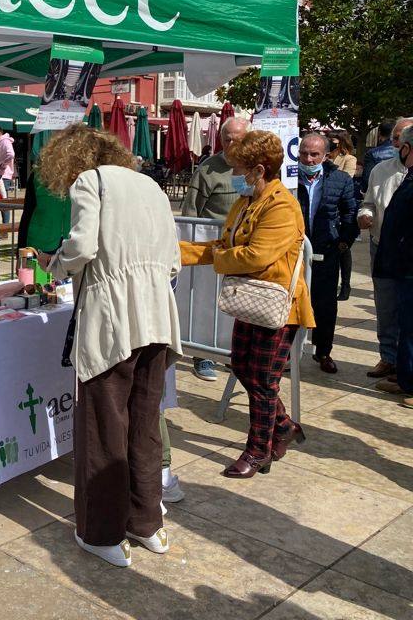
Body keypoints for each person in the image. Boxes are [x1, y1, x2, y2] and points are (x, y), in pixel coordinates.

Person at [38, 125, 182, 568]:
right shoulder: (152, 187)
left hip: (113, 320)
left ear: (71, 159)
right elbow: (174, 259)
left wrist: (57, 263)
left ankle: (101, 533)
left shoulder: (91, 181)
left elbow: (82, 245)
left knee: (104, 426)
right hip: (159, 316)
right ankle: (146, 524)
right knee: (144, 424)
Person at [181, 131, 315, 478]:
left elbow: (256, 256)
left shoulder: (282, 206)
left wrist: (223, 258)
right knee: (242, 366)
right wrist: (176, 252)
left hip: (277, 307)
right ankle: (284, 426)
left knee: (264, 381)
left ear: (259, 169)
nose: (234, 175)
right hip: (249, 300)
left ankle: (258, 452)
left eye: (239, 168)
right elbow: (222, 246)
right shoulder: (246, 201)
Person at [181, 117, 250, 381]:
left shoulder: (254, 167)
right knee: (207, 302)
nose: (232, 143)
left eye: (237, 138)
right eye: (227, 138)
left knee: (238, 301)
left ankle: (232, 352)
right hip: (211, 246)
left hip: (242, 248)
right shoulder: (209, 169)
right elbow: (190, 209)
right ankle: (204, 354)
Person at [296, 132, 359, 374]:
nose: (309, 159)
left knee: (325, 305)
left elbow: (349, 212)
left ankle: (323, 351)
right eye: (304, 153)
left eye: (314, 154)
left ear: (325, 155)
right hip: (295, 252)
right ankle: (289, 352)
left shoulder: (339, 179)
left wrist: (344, 241)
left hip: (326, 250)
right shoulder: (288, 179)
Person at [361, 117, 413, 380]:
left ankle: (406, 368)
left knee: (408, 311)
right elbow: (369, 201)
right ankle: (388, 358)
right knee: (385, 305)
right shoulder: (380, 170)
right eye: (394, 138)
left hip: (409, 256)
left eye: (401, 139)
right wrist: (365, 214)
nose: (395, 144)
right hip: (381, 247)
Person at [329, 130, 359, 300]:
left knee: (343, 249)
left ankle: (345, 284)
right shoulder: (329, 157)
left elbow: (346, 178)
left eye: (335, 142)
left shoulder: (349, 159)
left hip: (342, 208)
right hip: (331, 209)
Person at [362, 118, 398, 192]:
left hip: (380, 193)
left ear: (379, 133)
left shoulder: (372, 153)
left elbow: (367, 179)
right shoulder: (406, 151)